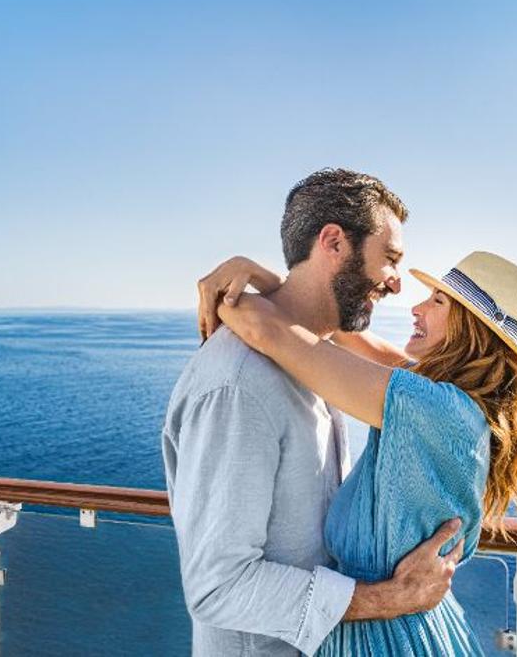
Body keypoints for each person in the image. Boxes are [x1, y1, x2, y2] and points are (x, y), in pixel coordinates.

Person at [162, 169, 466, 657]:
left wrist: (270, 282)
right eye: (389, 259)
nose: (394, 284)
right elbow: (217, 585)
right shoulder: (238, 385)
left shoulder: (315, 361)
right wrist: (391, 599)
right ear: (333, 241)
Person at [198, 248, 517, 655]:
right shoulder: (457, 403)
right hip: (412, 628)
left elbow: (271, 333)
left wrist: (228, 292)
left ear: (472, 330)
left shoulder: (430, 407)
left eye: (437, 302)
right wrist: (259, 274)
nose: (416, 308)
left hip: (385, 638)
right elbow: (345, 337)